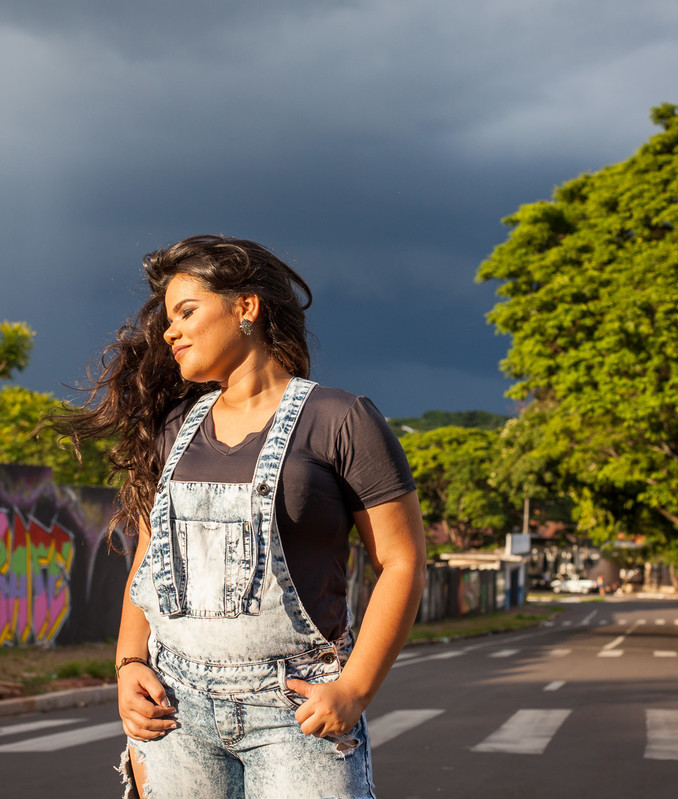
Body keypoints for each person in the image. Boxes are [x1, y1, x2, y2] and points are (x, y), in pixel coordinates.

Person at [57, 235, 426, 798]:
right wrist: (128, 662)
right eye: (166, 320)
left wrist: (354, 689)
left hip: (295, 712)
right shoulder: (174, 428)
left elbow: (402, 561)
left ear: (245, 307)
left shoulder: (340, 419)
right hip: (173, 711)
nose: (169, 331)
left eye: (186, 311)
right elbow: (151, 560)